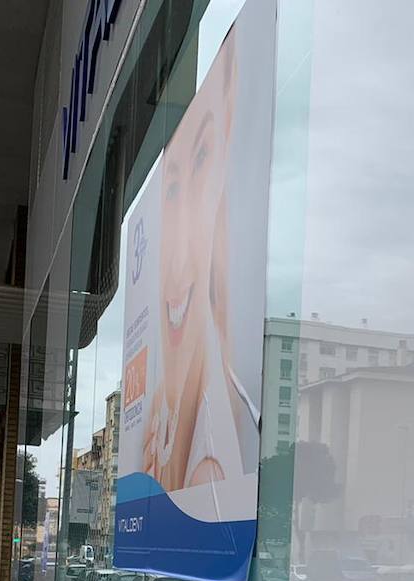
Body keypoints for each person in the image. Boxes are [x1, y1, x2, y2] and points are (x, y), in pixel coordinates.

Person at [142, 23, 258, 493]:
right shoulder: (165, 422)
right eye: (170, 188)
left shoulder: (230, 424)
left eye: (204, 156)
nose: (180, 261)